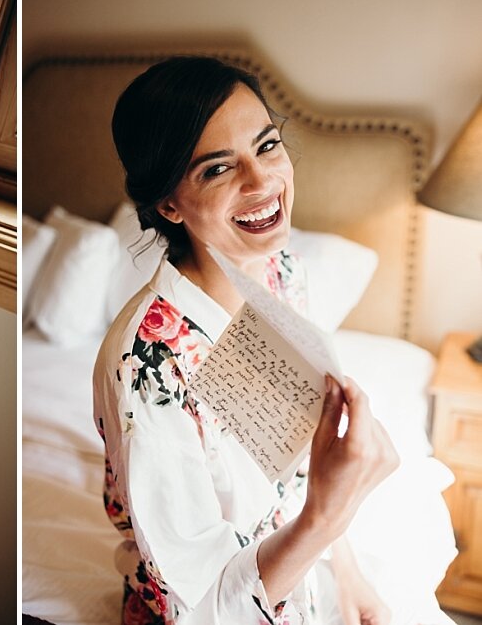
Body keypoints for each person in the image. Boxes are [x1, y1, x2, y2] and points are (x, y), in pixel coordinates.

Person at [94, 56, 451, 624]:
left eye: (266, 146)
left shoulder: (282, 270)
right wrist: (328, 515)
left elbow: (298, 470)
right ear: (168, 204)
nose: (262, 183)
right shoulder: (147, 363)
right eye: (216, 169)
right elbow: (204, 603)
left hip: (303, 563)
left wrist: (350, 580)